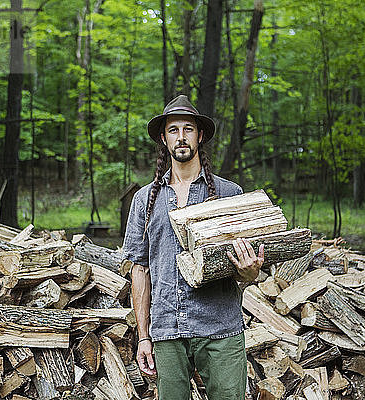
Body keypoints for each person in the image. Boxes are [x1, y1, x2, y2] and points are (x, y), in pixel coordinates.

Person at [123, 95, 264, 400]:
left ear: (200, 136)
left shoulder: (229, 193)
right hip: (167, 331)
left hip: (220, 329)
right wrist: (143, 336)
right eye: (173, 130)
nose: (181, 136)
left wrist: (249, 273)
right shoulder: (145, 200)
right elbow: (140, 270)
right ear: (164, 138)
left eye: (188, 129)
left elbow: (244, 268)